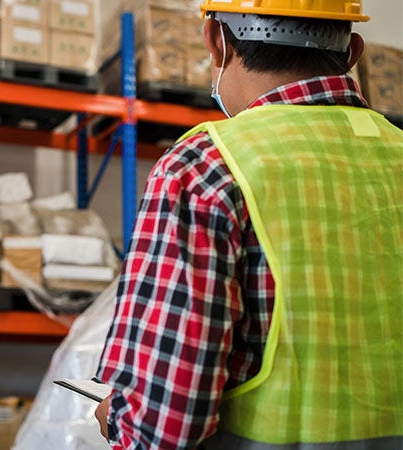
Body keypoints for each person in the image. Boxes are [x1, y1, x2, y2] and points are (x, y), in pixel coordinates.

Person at [94, 0, 402, 448]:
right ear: (353, 51)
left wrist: (121, 418)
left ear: (215, 42)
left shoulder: (205, 167)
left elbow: (163, 428)